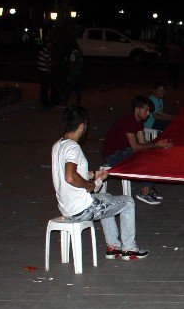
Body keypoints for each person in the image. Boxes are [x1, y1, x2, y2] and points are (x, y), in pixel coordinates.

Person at [52, 106, 149, 260]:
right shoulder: (73, 148)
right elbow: (70, 177)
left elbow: (71, 174)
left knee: (105, 197)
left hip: (66, 207)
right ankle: (129, 248)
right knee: (128, 202)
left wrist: (95, 174)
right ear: (82, 125)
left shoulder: (58, 145)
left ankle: (113, 246)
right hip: (82, 209)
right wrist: (88, 185)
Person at [103, 96, 173, 205]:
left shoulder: (138, 122)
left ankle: (149, 187)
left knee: (153, 153)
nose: (148, 113)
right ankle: (145, 191)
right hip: (114, 156)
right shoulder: (129, 121)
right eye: (146, 110)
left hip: (125, 151)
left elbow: (144, 143)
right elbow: (136, 147)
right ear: (138, 109)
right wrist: (156, 144)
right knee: (146, 156)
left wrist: (160, 145)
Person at [38, 40, 59, 106]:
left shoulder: (45, 51)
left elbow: (49, 62)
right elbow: (47, 63)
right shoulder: (46, 51)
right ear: (47, 44)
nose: (52, 46)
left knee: (44, 86)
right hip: (44, 71)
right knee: (45, 86)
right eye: (51, 44)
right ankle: (45, 102)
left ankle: (44, 101)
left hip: (43, 70)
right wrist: (50, 71)